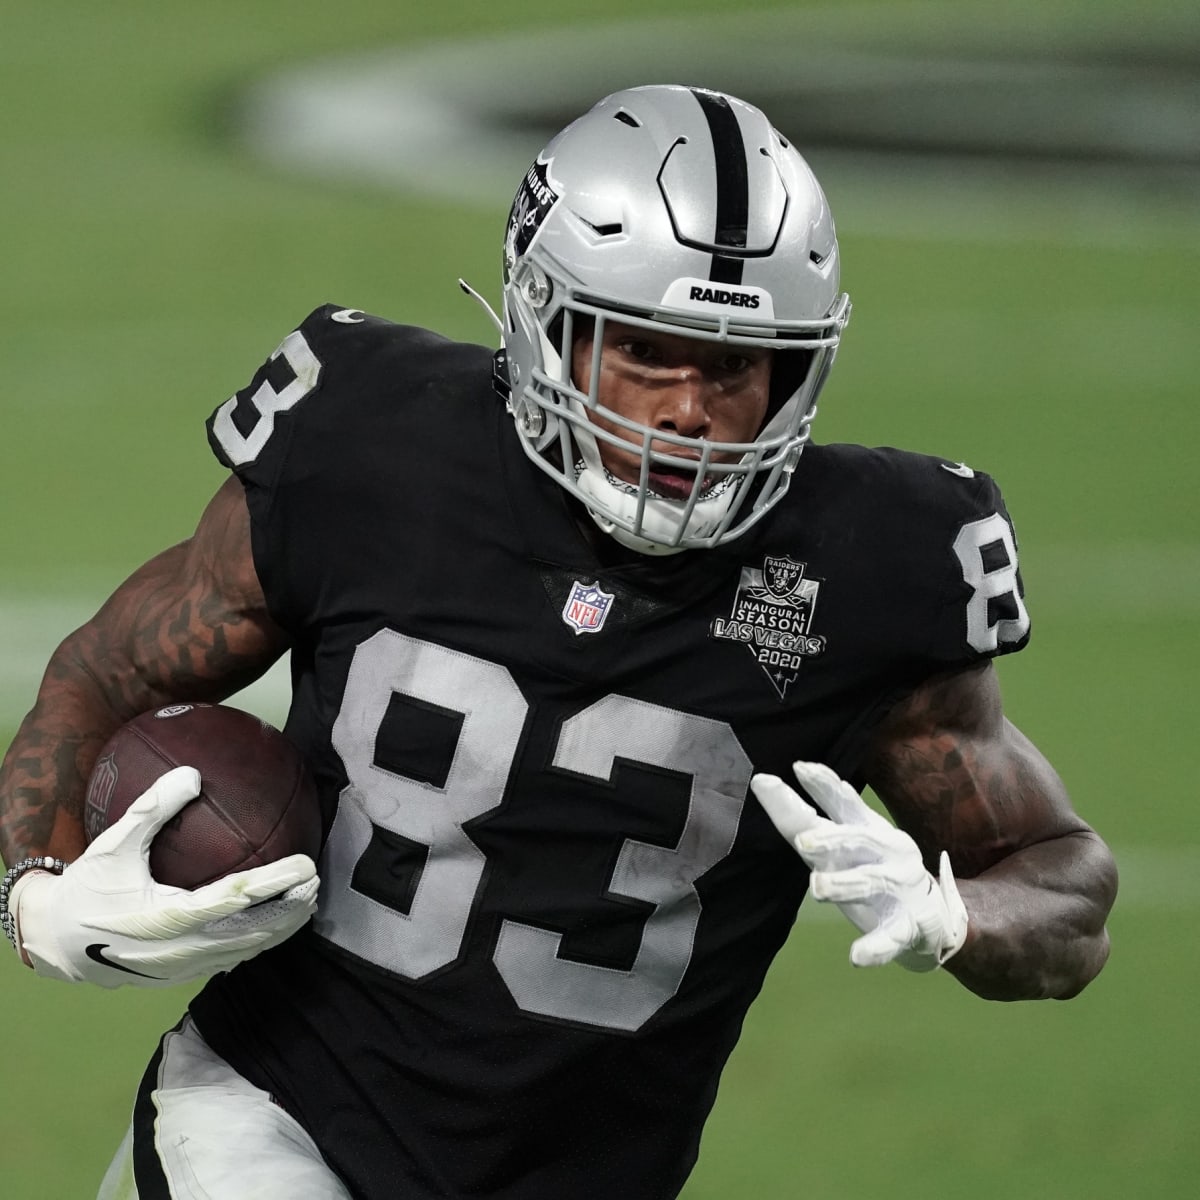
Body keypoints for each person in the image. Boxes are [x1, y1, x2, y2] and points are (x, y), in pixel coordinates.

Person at [0, 84, 1116, 1199]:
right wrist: (36, 899)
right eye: (646, 348)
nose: (691, 410)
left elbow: (1065, 888)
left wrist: (955, 916)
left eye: (736, 364)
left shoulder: (879, 565)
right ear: (542, 320)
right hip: (271, 1116)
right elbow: (105, 672)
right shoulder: (369, 450)